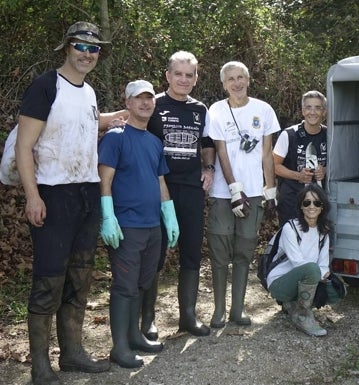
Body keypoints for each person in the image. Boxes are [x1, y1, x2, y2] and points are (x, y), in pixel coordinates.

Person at [14, 21, 129, 385]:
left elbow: (82, 127)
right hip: (53, 192)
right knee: (49, 277)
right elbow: (23, 146)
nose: (87, 54)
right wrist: (33, 196)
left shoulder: (90, 93)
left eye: (94, 49)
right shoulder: (46, 86)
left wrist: (111, 119)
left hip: (87, 192)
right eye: (81, 46)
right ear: (67, 47)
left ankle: (73, 353)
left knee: (79, 276)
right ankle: (40, 366)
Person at [98, 80, 179, 368]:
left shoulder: (154, 142)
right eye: (139, 99)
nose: (145, 103)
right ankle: (119, 348)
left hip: (151, 226)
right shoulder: (115, 137)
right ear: (128, 102)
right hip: (126, 226)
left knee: (144, 283)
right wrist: (107, 217)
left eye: (149, 99)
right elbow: (104, 180)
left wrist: (169, 216)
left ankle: (134, 336)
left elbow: (160, 181)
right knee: (124, 287)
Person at [143, 51, 215, 340]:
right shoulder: (153, 105)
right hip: (157, 189)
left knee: (191, 253)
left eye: (190, 75)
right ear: (168, 76)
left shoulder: (200, 110)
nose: (184, 79)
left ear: (196, 79)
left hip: (191, 190)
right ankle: (147, 321)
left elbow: (208, 142)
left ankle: (187, 316)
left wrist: (209, 168)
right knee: (154, 255)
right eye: (179, 74)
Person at [206, 61, 280, 328]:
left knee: (244, 250)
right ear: (224, 84)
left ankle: (237, 310)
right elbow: (221, 152)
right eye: (231, 79)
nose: (236, 83)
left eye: (241, 78)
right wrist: (234, 188)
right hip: (224, 194)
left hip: (254, 193)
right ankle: (218, 311)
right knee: (220, 249)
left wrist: (270, 191)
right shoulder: (216, 110)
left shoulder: (264, 110)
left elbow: (266, 154)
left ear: (248, 80)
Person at [266, 184, 342, 336]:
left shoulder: (323, 233)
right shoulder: (291, 228)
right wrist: (318, 275)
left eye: (316, 203)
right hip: (279, 281)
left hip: (306, 276)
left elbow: (323, 265)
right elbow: (298, 262)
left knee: (337, 289)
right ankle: (303, 315)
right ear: (301, 206)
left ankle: (293, 304)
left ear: (322, 207)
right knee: (311, 270)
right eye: (306, 202)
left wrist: (325, 276)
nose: (311, 206)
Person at [273, 91, 328, 226]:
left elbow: (340, 164)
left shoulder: (330, 135)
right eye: (308, 107)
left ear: (324, 112)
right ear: (303, 111)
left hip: (319, 200)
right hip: (291, 199)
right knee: (291, 240)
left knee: (316, 240)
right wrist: (298, 176)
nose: (312, 112)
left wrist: (325, 170)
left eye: (317, 108)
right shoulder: (289, 134)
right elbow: (274, 166)